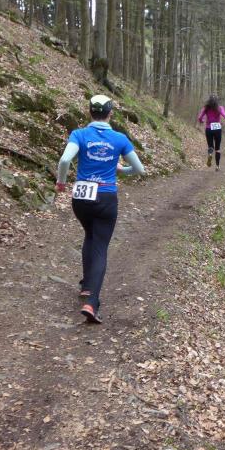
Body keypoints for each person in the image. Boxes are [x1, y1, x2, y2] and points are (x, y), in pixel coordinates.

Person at [55, 94, 145, 324]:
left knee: (90, 234)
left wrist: (61, 183)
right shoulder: (120, 139)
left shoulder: (79, 134)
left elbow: (64, 161)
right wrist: (121, 170)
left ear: (89, 112)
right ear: (110, 114)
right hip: (106, 196)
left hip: (81, 197)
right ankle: (92, 302)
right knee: (100, 246)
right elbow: (139, 169)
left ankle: (87, 285)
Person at [197, 95, 225, 171]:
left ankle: (210, 154)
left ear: (209, 101)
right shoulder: (220, 108)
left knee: (210, 146)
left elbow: (200, 117)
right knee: (217, 148)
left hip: (208, 128)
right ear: (217, 101)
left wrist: (201, 121)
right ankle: (217, 166)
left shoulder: (206, 108)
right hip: (217, 129)